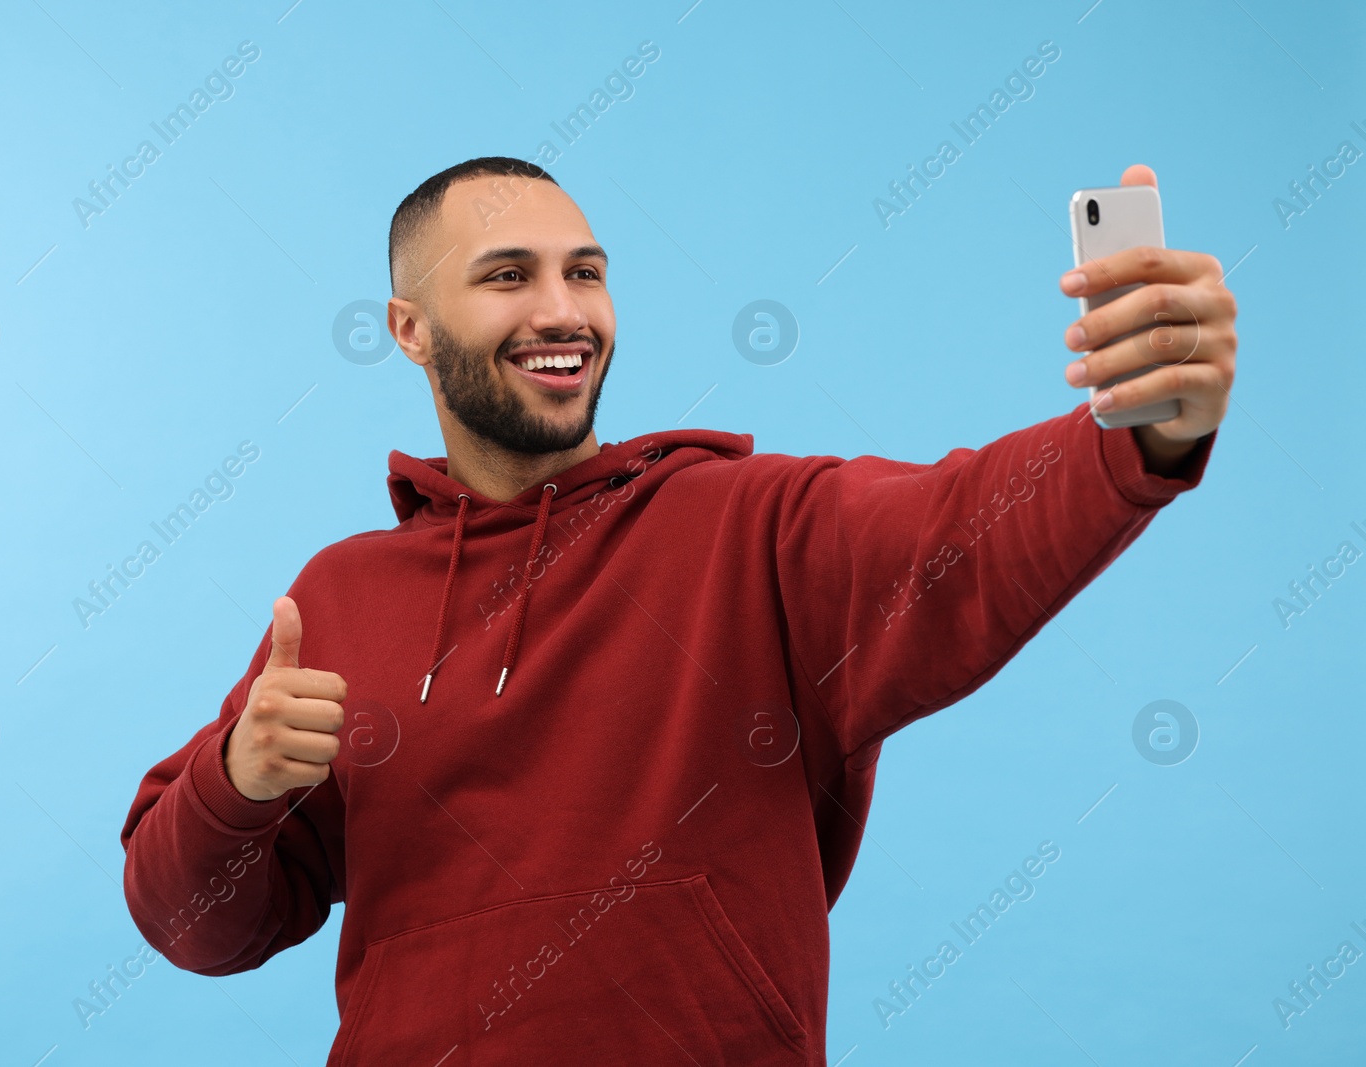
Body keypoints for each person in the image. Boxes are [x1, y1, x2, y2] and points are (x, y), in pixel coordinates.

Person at [120, 156, 1235, 1064]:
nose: (564, 311)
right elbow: (194, 926)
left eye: (587, 273)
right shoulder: (339, 596)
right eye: (507, 275)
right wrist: (236, 780)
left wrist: (1143, 433)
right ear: (410, 330)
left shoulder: (743, 526)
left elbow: (960, 529)